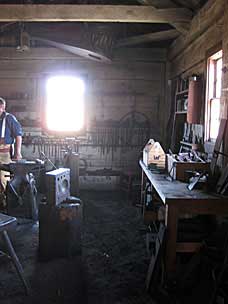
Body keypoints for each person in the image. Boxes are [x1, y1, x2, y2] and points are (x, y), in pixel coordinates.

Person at [0, 97, 23, 191]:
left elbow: (18, 136)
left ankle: (5, 203)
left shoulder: (10, 118)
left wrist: (17, 152)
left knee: (3, 179)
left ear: (2, 107)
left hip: (4, 154)